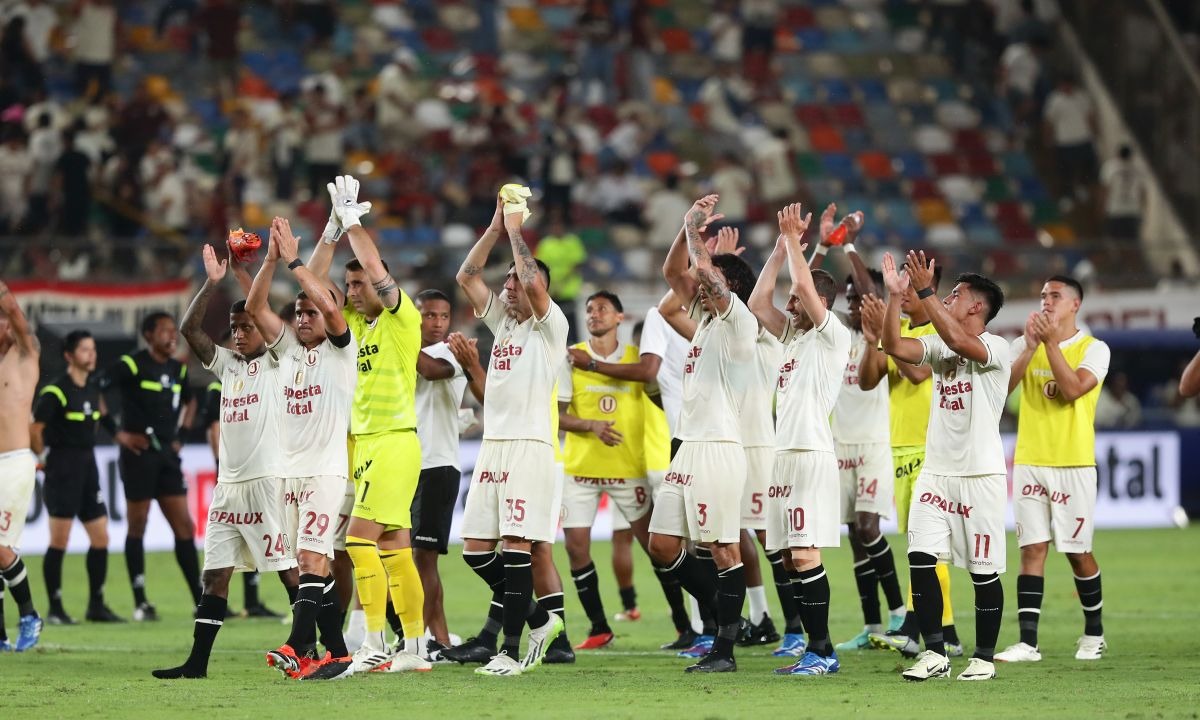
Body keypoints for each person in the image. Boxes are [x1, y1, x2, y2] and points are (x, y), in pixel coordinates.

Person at [153, 245, 298, 679]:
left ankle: (327, 649)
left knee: (289, 574)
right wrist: (213, 283)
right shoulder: (228, 365)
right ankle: (196, 665)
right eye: (233, 328)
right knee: (215, 578)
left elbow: (259, 307)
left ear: (262, 328)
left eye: (245, 326)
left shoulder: (279, 360)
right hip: (228, 488)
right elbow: (188, 329)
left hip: (268, 482)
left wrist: (243, 273)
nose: (237, 334)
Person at [879, 251, 1010, 682]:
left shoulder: (995, 348)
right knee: (920, 558)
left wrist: (925, 292)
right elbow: (895, 347)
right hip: (936, 474)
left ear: (976, 306)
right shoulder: (939, 343)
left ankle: (984, 658)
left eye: (956, 294)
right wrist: (895, 298)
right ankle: (934, 653)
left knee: (982, 571)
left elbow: (959, 343)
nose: (948, 298)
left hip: (980, 476)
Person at [453, 187, 568, 677]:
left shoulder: (550, 325)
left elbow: (533, 285)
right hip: (493, 448)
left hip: (529, 448)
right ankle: (541, 618)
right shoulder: (505, 327)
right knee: (476, 551)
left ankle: (510, 650)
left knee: (519, 547)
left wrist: (519, 230)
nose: (511, 286)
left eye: (520, 282)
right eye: (510, 282)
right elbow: (467, 275)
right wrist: (497, 228)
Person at [648, 194, 758, 674]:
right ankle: (726, 612)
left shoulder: (739, 323)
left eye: (711, 280)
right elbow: (674, 275)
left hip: (717, 448)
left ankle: (724, 650)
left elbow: (704, 273)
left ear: (729, 287)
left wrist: (699, 238)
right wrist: (684, 227)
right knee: (663, 546)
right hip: (688, 447)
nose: (697, 285)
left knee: (723, 547)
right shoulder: (704, 327)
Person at [247, 216, 359, 680]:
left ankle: (297, 645)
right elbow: (254, 307)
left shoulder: (340, 348)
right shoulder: (289, 350)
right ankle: (337, 652)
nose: (305, 318)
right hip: (289, 474)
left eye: (312, 311)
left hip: (324, 472)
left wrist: (297, 258)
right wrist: (271, 261)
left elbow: (332, 311)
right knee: (313, 567)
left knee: (312, 560)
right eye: (300, 313)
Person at [326, 175, 429, 673]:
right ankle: (414, 648)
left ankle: (372, 644)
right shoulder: (360, 326)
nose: (351, 290)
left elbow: (373, 267)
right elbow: (316, 290)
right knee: (392, 546)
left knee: (357, 541)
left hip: (392, 442)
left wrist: (353, 223)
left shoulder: (400, 317)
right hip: (369, 444)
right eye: (348, 285)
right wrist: (330, 230)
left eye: (359, 283)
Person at [747, 204, 850, 676]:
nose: (790, 304)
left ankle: (823, 652)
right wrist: (776, 249)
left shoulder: (833, 336)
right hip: (782, 456)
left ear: (819, 306)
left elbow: (805, 287)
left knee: (806, 552)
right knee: (789, 556)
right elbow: (756, 303)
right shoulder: (793, 338)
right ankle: (814, 647)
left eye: (797, 301)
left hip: (810, 454)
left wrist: (793, 240)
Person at [808, 208, 907, 651]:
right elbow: (806, 287)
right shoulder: (833, 335)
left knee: (869, 527)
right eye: (847, 298)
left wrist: (848, 244)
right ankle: (871, 626)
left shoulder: (881, 331)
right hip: (837, 444)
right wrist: (823, 245)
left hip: (872, 445)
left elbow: (872, 298)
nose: (853, 302)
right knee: (853, 535)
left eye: (857, 297)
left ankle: (901, 612)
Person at [997, 276, 1110, 663]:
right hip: (1030, 460)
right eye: (1043, 294)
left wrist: (1047, 345)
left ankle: (1094, 633)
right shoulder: (1022, 344)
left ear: (1075, 304)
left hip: (1073, 463)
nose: (1046, 301)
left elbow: (1073, 390)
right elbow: (1001, 392)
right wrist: (1029, 349)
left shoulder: (1094, 349)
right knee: (1032, 549)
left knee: (1077, 553)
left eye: (1055, 296)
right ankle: (1028, 643)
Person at [864, 263, 962, 658]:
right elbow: (868, 380)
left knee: (926, 545)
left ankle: (909, 626)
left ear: (927, 287)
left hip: (929, 447)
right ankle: (949, 633)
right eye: (897, 284)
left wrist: (890, 343)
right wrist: (875, 339)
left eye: (907, 284)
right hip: (900, 448)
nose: (900, 290)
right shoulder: (896, 332)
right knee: (921, 545)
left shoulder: (939, 332)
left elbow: (920, 376)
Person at [559, 290, 654, 650]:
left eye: (602, 309)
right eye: (589, 309)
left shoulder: (637, 359)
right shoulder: (571, 358)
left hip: (630, 469)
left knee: (656, 548)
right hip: (581, 470)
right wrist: (591, 426)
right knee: (576, 548)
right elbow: (557, 414)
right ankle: (599, 628)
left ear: (620, 317)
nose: (594, 314)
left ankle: (687, 625)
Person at [98, 310, 200, 620]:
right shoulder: (131, 364)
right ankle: (141, 600)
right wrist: (117, 433)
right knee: (138, 523)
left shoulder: (177, 369)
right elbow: (97, 388)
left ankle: (200, 599)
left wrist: (181, 434)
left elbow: (191, 401)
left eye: (174, 331)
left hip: (167, 457)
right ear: (148, 335)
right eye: (165, 331)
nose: (172, 336)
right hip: (138, 455)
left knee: (184, 526)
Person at [30, 330, 123, 625]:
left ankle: (96, 605)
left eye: (93, 349)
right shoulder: (55, 391)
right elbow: (35, 430)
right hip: (62, 468)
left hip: (88, 467)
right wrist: (43, 459)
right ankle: (56, 608)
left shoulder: (93, 389)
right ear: (69, 356)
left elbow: (101, 420)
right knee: (60, 538)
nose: (91, 354)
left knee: (101, 537)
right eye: (84, 350)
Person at [412, 288, 470, 660]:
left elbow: (433, 372)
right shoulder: (401, 352)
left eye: (442, 316)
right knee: (404, 557)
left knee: (424, 559)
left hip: (437, 466)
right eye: (429, 315)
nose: (437, 323)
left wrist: (394, 337)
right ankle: (433, 638)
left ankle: (436, 640)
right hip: (403, 463)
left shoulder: (450, 352)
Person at [0, 278, 42, 652]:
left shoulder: (26, 356)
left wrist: (4, 296)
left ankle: (30, 615)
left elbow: (15, 313)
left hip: (14, 463)